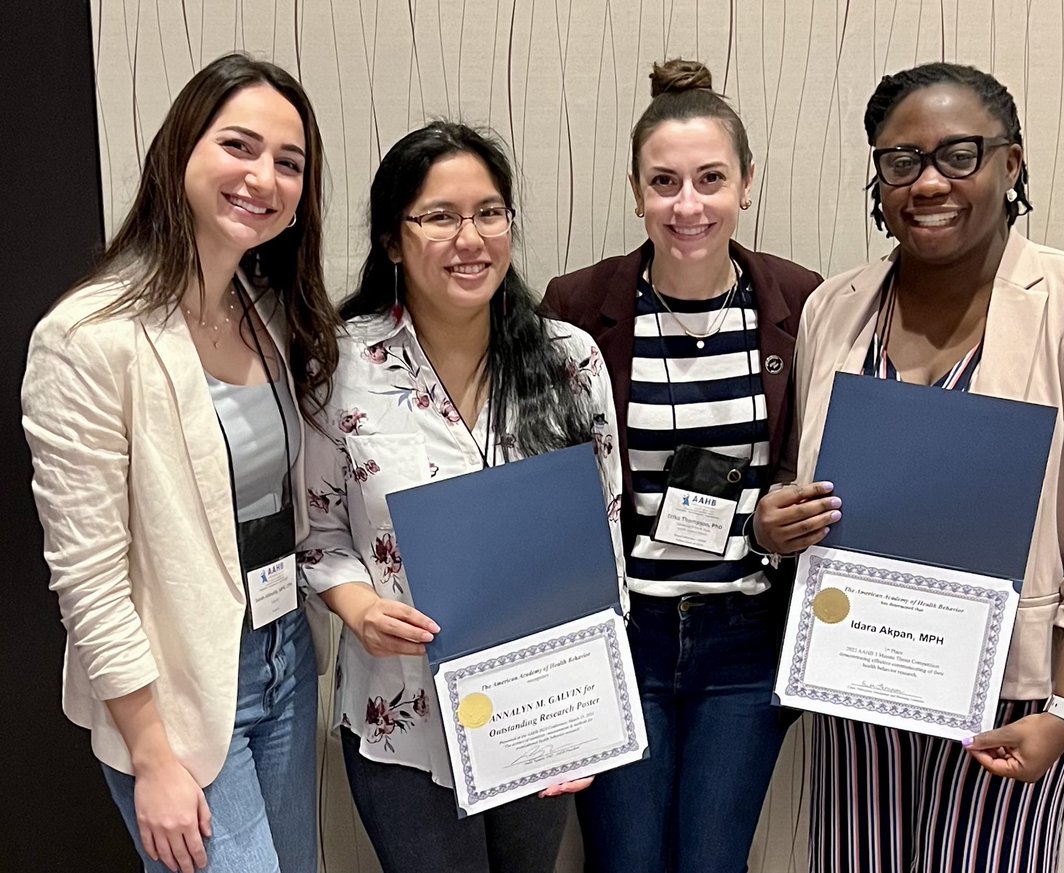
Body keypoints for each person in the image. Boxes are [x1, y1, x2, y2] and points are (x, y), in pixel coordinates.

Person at [754, 61, 1064, 873]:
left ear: (1012, 163)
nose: (929, 182)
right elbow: (803, 478)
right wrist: (773, 523)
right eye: (902, 161)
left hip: (1012, 694)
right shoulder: (837, 306)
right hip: (858, 674)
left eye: (959, 155)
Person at [22, 53, 341, 873]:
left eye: (290, 162)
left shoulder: (266, 311)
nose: (264, 178)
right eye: (239, 146)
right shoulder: (88, 337)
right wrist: (153, 756)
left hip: (284, 654)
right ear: (180, 149)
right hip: (176, 689)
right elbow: (87, 577)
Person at [297, 121, 623, 873]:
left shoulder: (570, 361)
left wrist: (592, 712)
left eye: (489, 213)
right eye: (439, 216)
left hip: (540, 706)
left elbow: (602, 538)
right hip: (401, 714)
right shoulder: (338, 365)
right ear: (392, 240)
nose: (469, 239)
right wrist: (358, 607)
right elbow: (317, 533)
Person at [541, 59, 826, 873]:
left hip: (744, 638)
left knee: (712, 860)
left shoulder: (800, 302)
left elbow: (817, 456)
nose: (688, 205)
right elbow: (551, 481)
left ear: (747, 184)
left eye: (711, 179)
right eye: (664, 182)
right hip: (623, 635)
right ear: (636, 192)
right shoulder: (577, 307)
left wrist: (775, 520)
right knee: (624, 860)